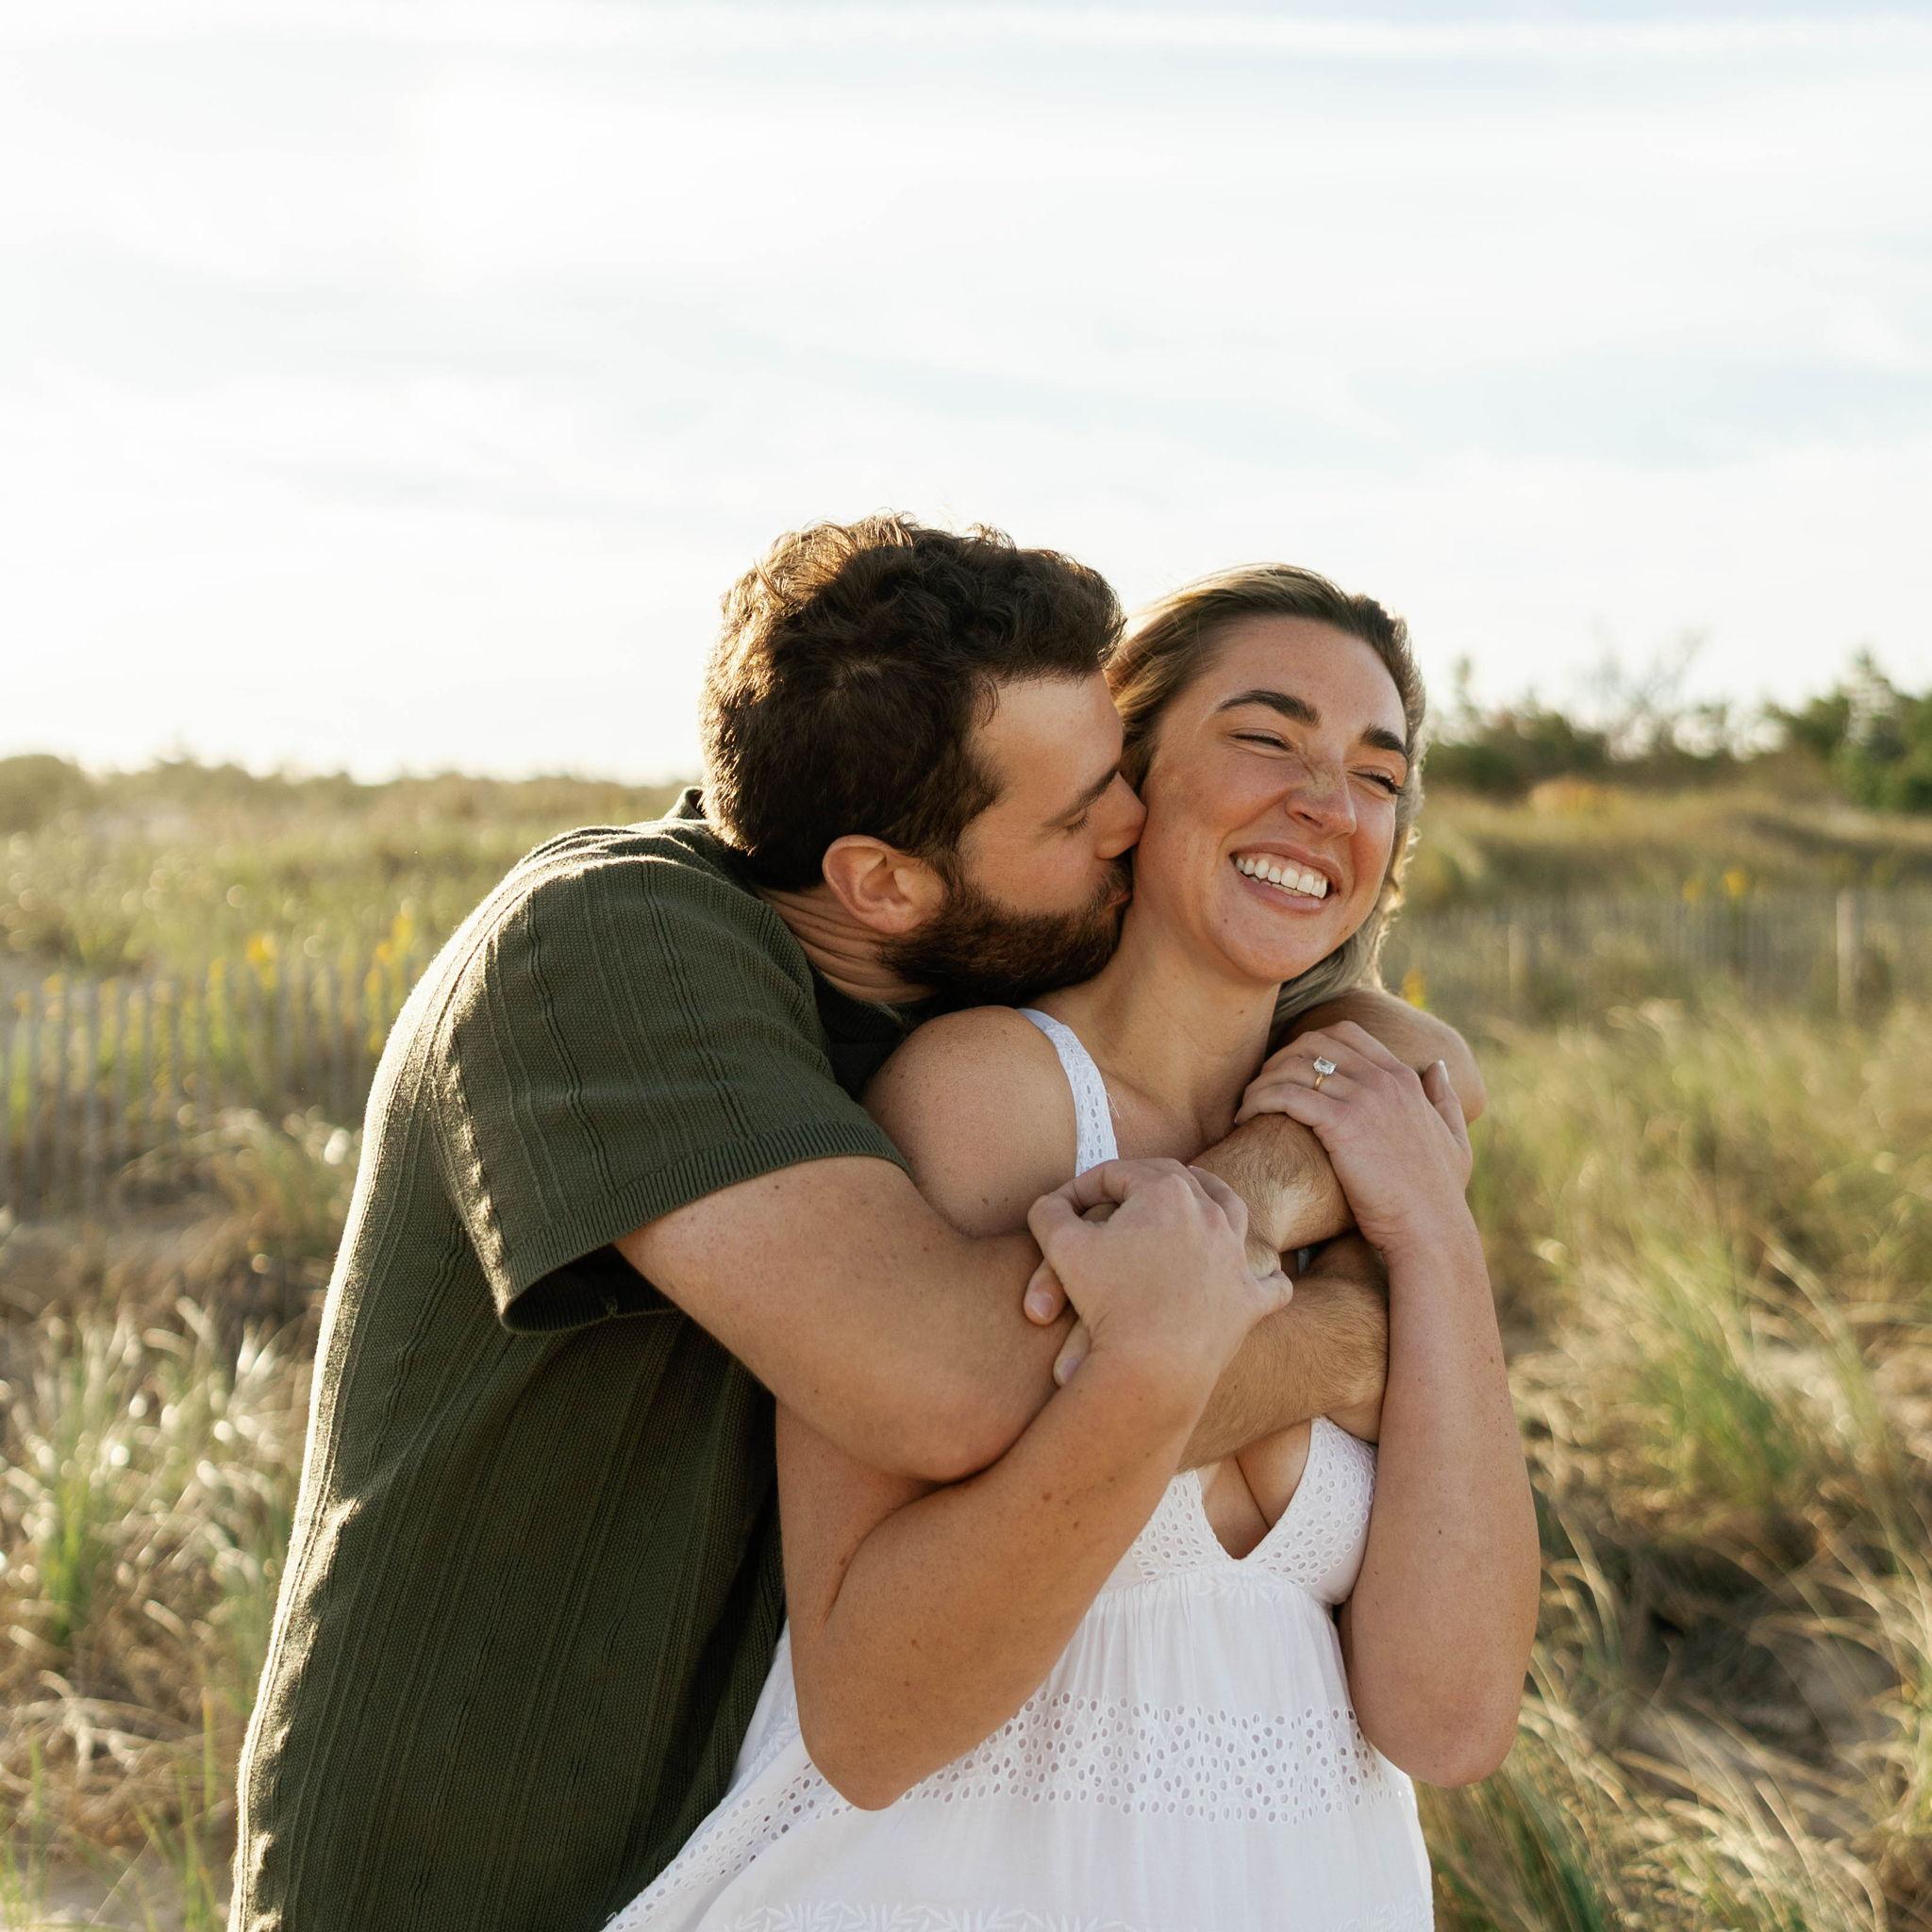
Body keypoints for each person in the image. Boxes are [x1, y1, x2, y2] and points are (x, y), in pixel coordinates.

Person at [229, 519, 1480, 1932]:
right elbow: (953, 1383)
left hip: (742, 1836)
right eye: (1082, 812)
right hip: (486, 1856)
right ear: (882, 878)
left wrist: (1331, 1129)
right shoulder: (613, 950)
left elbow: (1413, 1049)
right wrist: (1350, 1335)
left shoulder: (956, 944)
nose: (1128, 825)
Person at [610, 565, 1540, 1930]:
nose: (1328, 804)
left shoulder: (1387, 1143)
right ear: (1128, 779)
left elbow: (1449, 1721)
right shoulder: (991, 1094)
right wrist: (1321, 1324)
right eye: (1266, 738)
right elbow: (872, 1722)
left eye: (1378, 775)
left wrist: (1434, 1236)